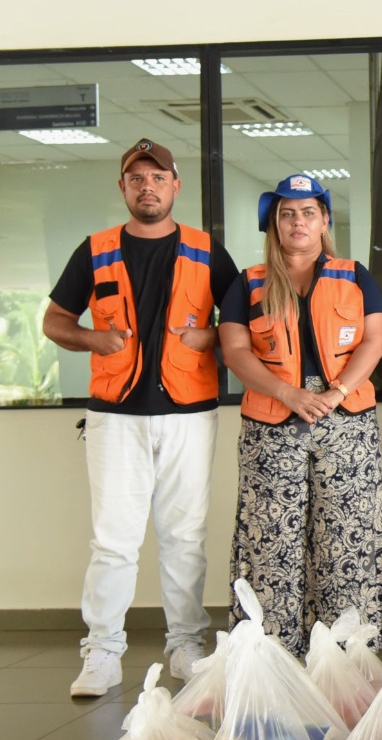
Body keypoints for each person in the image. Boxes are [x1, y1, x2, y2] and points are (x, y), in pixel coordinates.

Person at [42, 138, 238, 696]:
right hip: (115, 416)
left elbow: (244, 324)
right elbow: (55, 320)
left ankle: (185, 644)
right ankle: (102, 652)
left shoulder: (205, 249)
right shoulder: (95, 249)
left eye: (158, 178)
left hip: (189, 413)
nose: (147, 186)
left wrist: (211, 335)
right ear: (123, 187)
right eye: (136, 178)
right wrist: (90, 338)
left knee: (184, 536)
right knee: (113, 540)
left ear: (175, 186)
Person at [219, 173, 382, 655]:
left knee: (347, 536)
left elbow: (375, 341)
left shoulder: (355, 275)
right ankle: (272, 654)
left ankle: (348, 654)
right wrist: (288, 394)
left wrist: (336, 391)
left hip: (346, 420)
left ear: (324, 220)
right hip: (272, 422)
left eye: (308, 212)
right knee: (272, 539)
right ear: (272, 224)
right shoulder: (248, 284)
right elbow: (235, 351)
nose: (298, 221)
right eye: (287, 213)